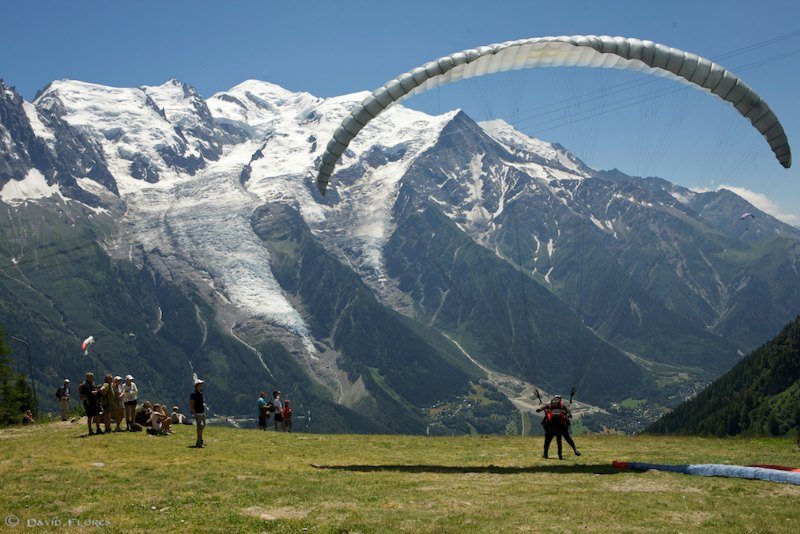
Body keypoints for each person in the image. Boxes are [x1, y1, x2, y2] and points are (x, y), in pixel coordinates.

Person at [536, 395, 581, 460]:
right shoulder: (563, 405)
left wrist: (539, 409)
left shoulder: (550, 405)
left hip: (550, 425)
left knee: (547, 440)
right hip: (561, 425)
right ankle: (574, 450)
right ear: (560, 399)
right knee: (566, 438)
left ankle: (545, 453)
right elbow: (568, 411)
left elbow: (544, 407)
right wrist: (569, 415)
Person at [190, 379, 206, 448]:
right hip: (198, 414)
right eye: (200, 384)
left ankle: (200, 440)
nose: (201, 385)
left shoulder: (200, 393)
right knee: (200, 427)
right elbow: (191, 405)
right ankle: (199, 443)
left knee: (202, 426)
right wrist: (194, 413)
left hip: (202, 413)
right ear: (197, 385)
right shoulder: (194, 394)